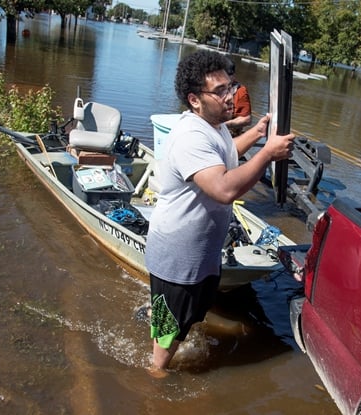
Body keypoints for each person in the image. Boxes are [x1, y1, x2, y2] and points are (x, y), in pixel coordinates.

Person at [144, 50, 295, 375]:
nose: (232, 97)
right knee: (168, 326)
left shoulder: (214, 126)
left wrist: (256, 135)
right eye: (221, 91)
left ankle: (165, 338)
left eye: (232, 87)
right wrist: (268, 154)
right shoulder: (190, 136)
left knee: (186, 314)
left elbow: (224, 155)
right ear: (194, 100)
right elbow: (224, 188)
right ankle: (154, 375)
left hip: (200, 254)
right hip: (177, 256)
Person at [223, 60, 252, 136]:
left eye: (228, 75)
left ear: (233, 75)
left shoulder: (240, 91)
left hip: (230, 136)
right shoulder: (212, 87)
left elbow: (246, 119)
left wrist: (223, 125)